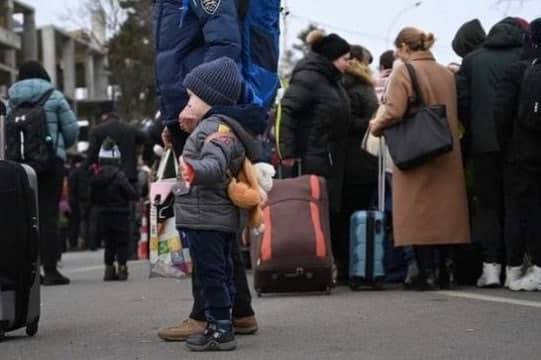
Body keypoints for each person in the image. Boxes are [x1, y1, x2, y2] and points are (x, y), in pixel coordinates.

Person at [370, 27, 470, 290]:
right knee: (446, 211)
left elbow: (393, 110)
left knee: (419, 213)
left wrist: (376, 126)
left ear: (404, 47)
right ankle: (446, 270)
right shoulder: (445, 72)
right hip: (446, 147)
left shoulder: (403, 70)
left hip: (416, 149)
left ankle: (426, 274)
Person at [171, 57, 260, 351]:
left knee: (211, 274)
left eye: (192, 97)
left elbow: (214, 162)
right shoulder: (214, 125)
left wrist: (194, 172)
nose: (188, 102)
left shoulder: (217, 129)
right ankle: (223, 321)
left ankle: (220, 328)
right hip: (211, 215)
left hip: (206, 216)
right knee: (220, 271)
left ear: (209, 98)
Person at [457, 18, 528, 288]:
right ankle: (514, 270)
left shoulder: (473, 60)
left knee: (487, 207)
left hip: (482, 146)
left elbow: (462, 101)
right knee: (515, 206)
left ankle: (490, 269)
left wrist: (475, 128)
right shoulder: (523, 57)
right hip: (517, 144)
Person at [278, 30, 352, 279]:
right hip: (314, 157)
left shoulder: (333, 81)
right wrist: (286, 152)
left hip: (332, 157)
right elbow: (287, 111)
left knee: (330, 213)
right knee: (315, 213)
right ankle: (312, 264)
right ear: (332, 58)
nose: (349, 62)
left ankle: (328, 264)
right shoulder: (309, 78)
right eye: (345, 57)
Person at [7, 61, 79, 286]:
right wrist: (58, 146)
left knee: (24, 217)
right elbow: (72, 131)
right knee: (48, 216)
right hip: (50, 164)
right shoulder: (54, 96)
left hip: (19, 165)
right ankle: (51, 270)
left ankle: (27, 270)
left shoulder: (12, 99)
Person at [495, 18, 541, 291]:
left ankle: (513, 270)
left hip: (521, 152)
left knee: (518, 210)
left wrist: (506, 145)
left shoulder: (516, 70)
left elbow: (500, 114)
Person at [340, 44, 379, 280]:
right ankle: (358, 265)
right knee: (357, 212)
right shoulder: (360, 87)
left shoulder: (342, 84)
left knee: (346, 214)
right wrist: (372, 123)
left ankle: (350, 264)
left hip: (348, 161)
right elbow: (354, 121)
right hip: (361, 160)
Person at [89, 139, 139, 281]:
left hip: (104, 214)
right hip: (121, 213)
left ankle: (108, 270)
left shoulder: (96, 176)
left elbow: (92, 197)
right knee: (122, 242)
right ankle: (122, 268)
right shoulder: (119, 176)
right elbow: (131, 193)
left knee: (109, 244)